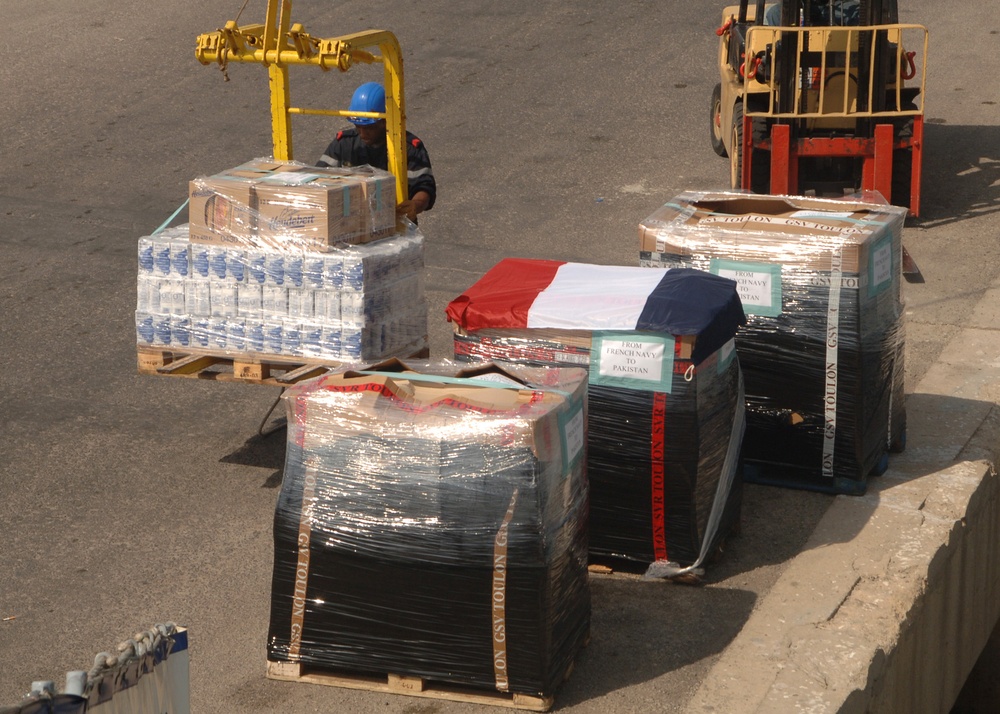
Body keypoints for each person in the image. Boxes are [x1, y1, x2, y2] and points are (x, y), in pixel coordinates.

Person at [317, 82, 436, 222]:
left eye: (369, 128)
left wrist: (415, 206)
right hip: (350, 224)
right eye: (358, 127)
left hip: (396, 226)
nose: (362, 134)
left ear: (385, 121)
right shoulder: (343, 144)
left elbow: (424, 188)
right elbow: (317, 178)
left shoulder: (408, 148)